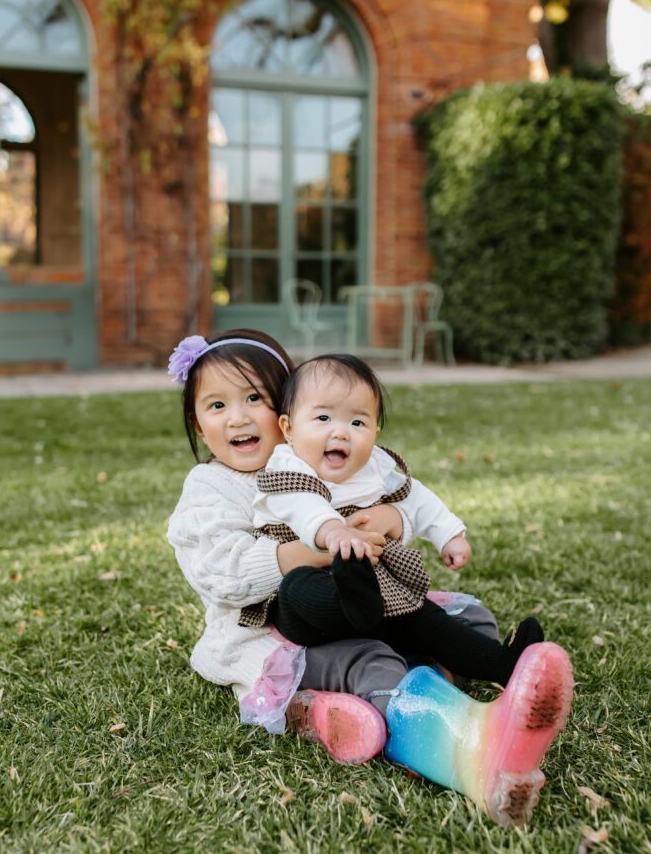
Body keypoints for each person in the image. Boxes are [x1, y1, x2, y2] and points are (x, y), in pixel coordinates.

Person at [167, 330, 573, 828]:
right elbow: (219, 574)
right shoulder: (209, 486)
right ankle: (470, 748)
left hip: (371, 601)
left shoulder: (321, 454)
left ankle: (433, 678)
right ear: (197, 424)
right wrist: (311, 550)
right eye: (216, 405)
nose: (238, 416)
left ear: (286, 413)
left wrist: (392, 522)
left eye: (255, 398)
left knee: (467, 615)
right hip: (277, 631)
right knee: (370, 660)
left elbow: (400, 502)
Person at [254, 353, 546, 689]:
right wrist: (334, 531)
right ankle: (349, 596)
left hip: (378, 595)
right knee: (297, 585)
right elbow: (302, 505)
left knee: (426, 620)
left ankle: (504, 665)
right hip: (310, 611)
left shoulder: (375, 467)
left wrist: (448, 535)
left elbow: (417, 498)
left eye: (358, 423)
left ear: (375, 431)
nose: (341, 432)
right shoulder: (287, 468)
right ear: (288, 429)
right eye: (323, 417)